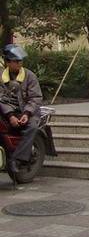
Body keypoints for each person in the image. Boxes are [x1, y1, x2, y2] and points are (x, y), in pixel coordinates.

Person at [0, 44, 42, 177]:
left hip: (26, 111)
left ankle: (16, 159)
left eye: (20, 60)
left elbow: (35, 98)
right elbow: (0, 99)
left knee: (32, 126)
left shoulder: (30, 76)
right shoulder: (1, 76)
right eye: (16, 60)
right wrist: (10, 115)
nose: (19, 63)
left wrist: (27, 113)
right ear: (7, 62)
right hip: (7, 112)